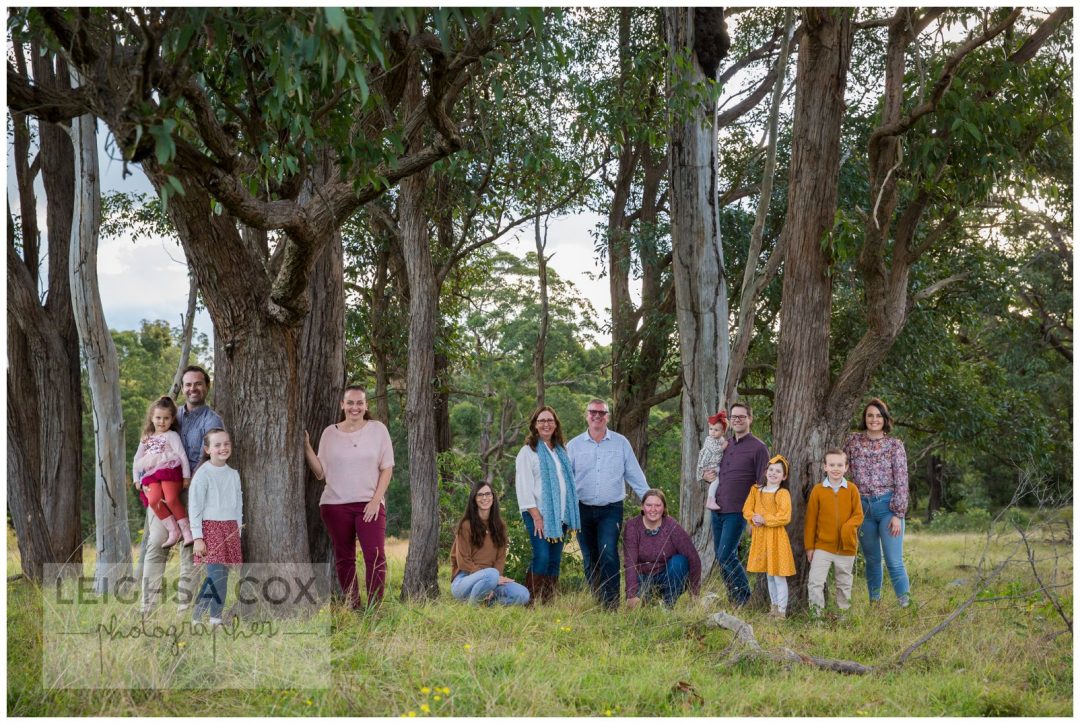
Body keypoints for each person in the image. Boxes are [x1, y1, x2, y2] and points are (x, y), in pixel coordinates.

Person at [139, 365, 224, 614]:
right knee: (156, 544)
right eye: (188, 384)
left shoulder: (212, 420)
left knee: (190, 550)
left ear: (206, 386)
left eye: (198, 384)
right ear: (183, 388)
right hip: (161, 490)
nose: (192, 389)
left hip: (193, 492)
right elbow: (149, 445)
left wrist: (192, 483)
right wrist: (145, 478)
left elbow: (209, 456)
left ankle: (184, 611)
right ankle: (148, 608)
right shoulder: (170, 415)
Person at [305, 385, 394, 610]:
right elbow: (320, 472)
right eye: (350, 403)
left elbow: (387, 468)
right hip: (335, 505)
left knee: (375, 556)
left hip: (369, 504)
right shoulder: (329, 433)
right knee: (345, 559)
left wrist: (375, 501)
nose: (355, 407)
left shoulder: (378, 430)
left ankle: (374, 609)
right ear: (342, 405)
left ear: (366, 405)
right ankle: (353, 607)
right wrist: (306, 447)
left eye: (359, 403)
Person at [566, 399, 650, 610]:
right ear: (586, 415)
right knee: (589, 556)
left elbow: (634, 473)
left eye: (601, 413)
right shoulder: (574, 446)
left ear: (608, 417)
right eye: (593, 412)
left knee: (609, 552)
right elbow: (565, 481)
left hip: (610, 509)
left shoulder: (620, 443)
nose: (597, 416)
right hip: (581, 508)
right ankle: (597, 599)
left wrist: (649, 500)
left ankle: (611, 604)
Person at [844, 398, 911, 608]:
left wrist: (898, 514)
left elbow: (902, 479)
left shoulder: (894, 445)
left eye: (878, 415)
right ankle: (875, 604)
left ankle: (906, 605)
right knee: (872, 560)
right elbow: (841, 469)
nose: (874, 419)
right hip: (863, 508)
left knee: (893, 561)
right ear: (865, 418)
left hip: (887, 508)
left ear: (885, 419)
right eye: (870, 415)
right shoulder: (853, 441)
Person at [700, 401, 769, 607]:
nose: (737, 420)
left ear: (750, 419)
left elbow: (762, 484)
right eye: (734, 417)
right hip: (718, 508)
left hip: (738, 511)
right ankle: (734, 598)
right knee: (721, 557)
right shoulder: (725, 444)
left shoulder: (759, 448)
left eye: (742, 416)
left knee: (726, 554)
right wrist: (706, 476)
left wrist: (754, 515)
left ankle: (744, 598)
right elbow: (714, 469)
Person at [514, 405, 580, 604]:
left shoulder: (561, 451)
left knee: (554, 559)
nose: (546, 424)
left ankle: (548, 601)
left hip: (559, 515)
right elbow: (524, 488)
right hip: (538, 515)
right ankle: (530, 600)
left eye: (550, 420)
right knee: (542, 556)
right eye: (541, 421)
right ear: (535, 425)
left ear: (556, 424)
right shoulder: (528, 452)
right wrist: (537, 517)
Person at [189, 429, 243, 625]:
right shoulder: (203, 474)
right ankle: (214, 620)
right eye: (217, 445)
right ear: (207, 449)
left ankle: (198, 617)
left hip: (229, 529)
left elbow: (238, 505)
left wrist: (238, 531)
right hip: (209, 530)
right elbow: (194, 506)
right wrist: (198, 537)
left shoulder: (233, 474)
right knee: (216, 577)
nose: (223, 448)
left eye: (226, 444)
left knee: (220, 577)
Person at [450, 482, 530, 606]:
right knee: (492, 573)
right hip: (464, 580)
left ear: (493, 497)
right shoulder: (466, 526)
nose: (485, 498)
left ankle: (486, 604)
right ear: (474, 499)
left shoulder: (500, 527)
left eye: (488, 494)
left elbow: (500, 559)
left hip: (491, 579)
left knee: (523, 594)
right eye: (480, 495)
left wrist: (492, 583)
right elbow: (463, 562)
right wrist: (491, 578)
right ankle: (472, 608)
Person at [805, 448, 864, 614]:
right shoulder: (818, 490)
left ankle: (843, 617)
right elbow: (811, 521)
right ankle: (816, 618)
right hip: (822, 546)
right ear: (825, 467)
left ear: (846, 467)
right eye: (832, 464)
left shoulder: (852, 489)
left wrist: (847, 528)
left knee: (844, 584)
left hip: (847, 547)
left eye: (840, 465)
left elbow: (858, 515)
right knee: (815, 582)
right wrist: (810, 547)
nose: (836, 468)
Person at [623, 489, 701, 610]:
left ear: (664, 508)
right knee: (644, 608)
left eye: (658, 505)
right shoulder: (632, 526)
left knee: (679, 561)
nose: (653, 509)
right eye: (649, 505)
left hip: (668, 578)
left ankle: (668, 607)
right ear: (642, 507)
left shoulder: (672, 526)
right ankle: (649, 602)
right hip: (643, 579)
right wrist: (631, 594)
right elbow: (630, 562)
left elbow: (693, 558)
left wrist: (695, 593)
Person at [132, 396, 192, 547]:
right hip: (151, 474)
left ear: (172, 420)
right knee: (153, 500)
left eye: (166, 418)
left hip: (169, 469)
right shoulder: (146, 438)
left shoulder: (172, 435)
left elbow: (182, 455)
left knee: (171, 499)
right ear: (152, 417)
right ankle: (173, 531)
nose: (161, 422)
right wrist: (136, 479)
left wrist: (186, 476)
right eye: (158, 417)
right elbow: (137, 459)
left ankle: (186, 531)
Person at [742, 455, 796, 619]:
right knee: (769, 576)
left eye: (778, 471)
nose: (773, 473)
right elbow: (747, 509)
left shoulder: (782, 493)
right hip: (761, 538)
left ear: (784, 476)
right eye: (771, 470)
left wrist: (765, 520)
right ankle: (773, 609)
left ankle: (781, 611)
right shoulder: (756, 491)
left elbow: (785, 516)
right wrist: (754, 519)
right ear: (766, 471)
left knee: (778, 575)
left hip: (776, 537)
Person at [696, 410, 729, 516]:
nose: (713, 432)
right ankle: (710, 500)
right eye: (711, 429)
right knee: (716, 480)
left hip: (714, 464)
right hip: (709, 464)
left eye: (716, 430)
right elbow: (716, 450)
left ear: (723, 431)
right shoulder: (709, 439)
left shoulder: (721, 439)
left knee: (718, 476)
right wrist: (724, 446)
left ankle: (712, 499)